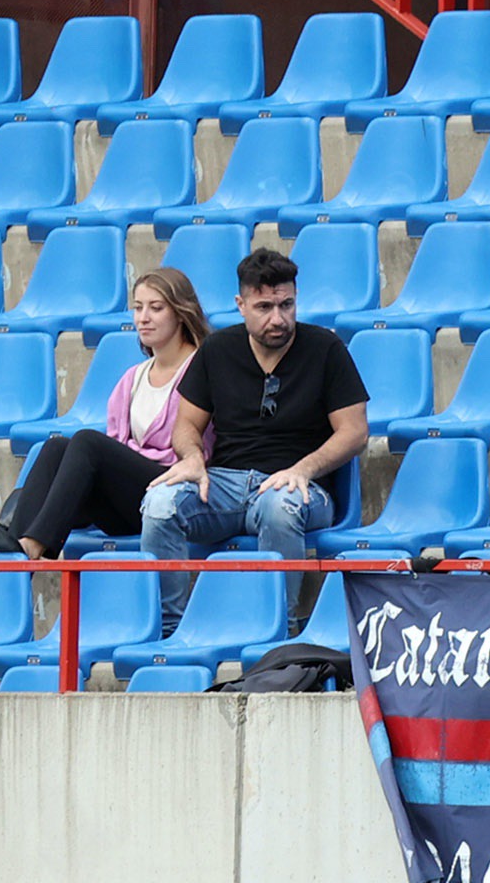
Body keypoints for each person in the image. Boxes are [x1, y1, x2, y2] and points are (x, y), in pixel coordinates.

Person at [140, 247, 369, 636]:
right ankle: (169, 632)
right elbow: (186, 425)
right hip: (226, 484)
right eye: (264, 307)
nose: (278, 318)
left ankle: (279, 629)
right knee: (160, 504)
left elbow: (355, 431)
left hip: (304, 486)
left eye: (286, 305)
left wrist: (302, 470)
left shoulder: (325, 349)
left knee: (280, 504)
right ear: (241, 305)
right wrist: (192, 457)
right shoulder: (217, 349)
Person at [0, 267, 210, 559]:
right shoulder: (133, 377)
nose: (143, 318)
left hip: (170, 494)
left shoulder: (202, 368)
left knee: (87, 442)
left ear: (181, 313)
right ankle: (15, 543)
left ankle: (30, 545)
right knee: (55, 447)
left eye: (156, 308)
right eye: (138, 308)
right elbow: (117, 448)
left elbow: (200, 448)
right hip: (126, 501)